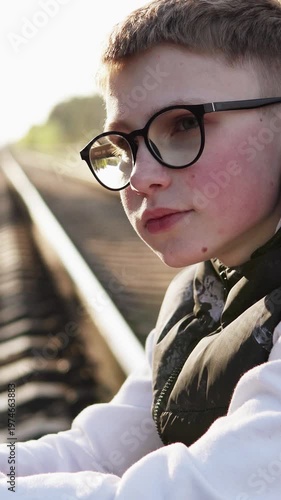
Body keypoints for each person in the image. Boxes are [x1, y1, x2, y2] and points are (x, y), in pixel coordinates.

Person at [1, 0, 281, 497]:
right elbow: (97, 451)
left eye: (183, 125)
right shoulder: (198, 296)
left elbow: (205, 489)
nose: (142, 176)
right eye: (123, 146)